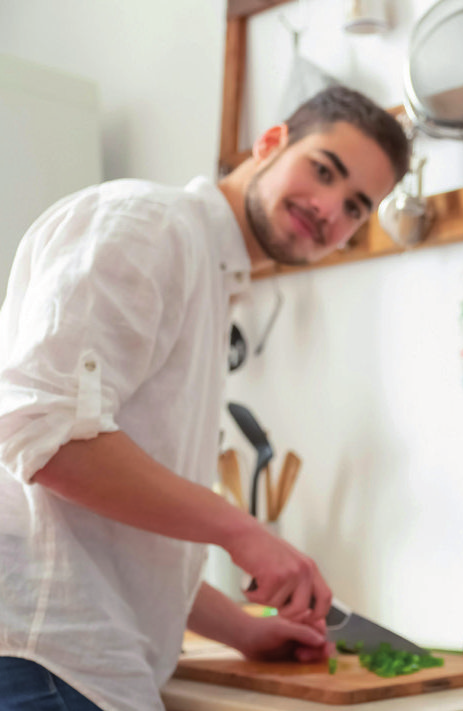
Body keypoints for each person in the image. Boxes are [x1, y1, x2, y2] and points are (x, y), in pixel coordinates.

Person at [0, 85, 409, 711]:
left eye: (356, 207)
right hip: (43, 665)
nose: (329, 208)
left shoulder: (210, 280)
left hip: (79, 669)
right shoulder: (148, 224)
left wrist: (241, 628)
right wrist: (243, 532)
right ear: (270, 143)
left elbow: (111, 528)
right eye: (322, 169)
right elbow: (43, 436)